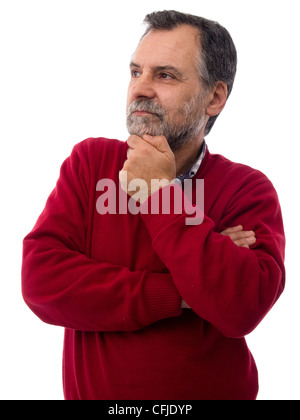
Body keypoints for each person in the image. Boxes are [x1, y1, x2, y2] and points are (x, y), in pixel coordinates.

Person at [22, 10, 285, 400]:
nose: (140, 88)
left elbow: (242, 307)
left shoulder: (247, 189)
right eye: (135, 72)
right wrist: (183, 293)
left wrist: (160, 193)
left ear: (214, 97)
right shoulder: (90, 163)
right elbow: (41, 282)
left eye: (164, 75)